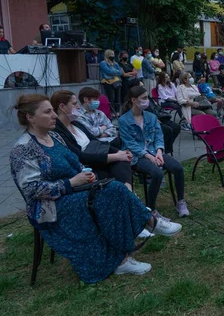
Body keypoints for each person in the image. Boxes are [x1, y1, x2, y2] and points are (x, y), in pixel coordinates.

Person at [10, 94, 182, 282]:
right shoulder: (23, 149)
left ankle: (131, 245)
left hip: (75, 190)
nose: (53, 115)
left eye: (52, 110)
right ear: (30, 118)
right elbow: (32, 189)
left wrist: (84, 173)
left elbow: (74, 160)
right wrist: (71, 183)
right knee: (113, 191)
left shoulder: (54, 136)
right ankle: (146, 227)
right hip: (49, 206)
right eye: (47, 111)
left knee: (113, 189)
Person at [119, 86, 189, 218]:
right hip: (136, 156)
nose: (147, 101)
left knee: (178, 168)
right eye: (144, 98)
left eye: (147, 98)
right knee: (157, 173)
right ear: (133, 100)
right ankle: (152, 210)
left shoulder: (151, 117)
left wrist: (159, 151)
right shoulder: (124, 120)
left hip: (154, 151)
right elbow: (131, 144)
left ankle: (181, 201)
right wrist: (150, 157)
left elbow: (158, 136)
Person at [50, 90, 133, 188]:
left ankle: (129, 193)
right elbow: (80, 156)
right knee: (112, 170)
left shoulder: (77, 124)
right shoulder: (57, 132)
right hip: (86, 168)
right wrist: (117, 156)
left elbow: (97, 142)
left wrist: (121, 152)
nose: (77, 107)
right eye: (74, 104)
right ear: (62, 107)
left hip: (98, 159)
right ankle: (128, 196)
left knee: (123, 162)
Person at [99, 49, 123, 114]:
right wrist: (116, 71)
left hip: (116, 82)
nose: (113, 56)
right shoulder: (103, 63)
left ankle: (117, 112)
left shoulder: (115, 63)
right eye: (112, 54)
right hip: (107, 82)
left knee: (117, 98)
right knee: (111, 98)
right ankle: (112, 113)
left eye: (113, 54)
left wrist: (115, 71)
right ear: (108, 55)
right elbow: (108, 71)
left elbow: (121, 72)